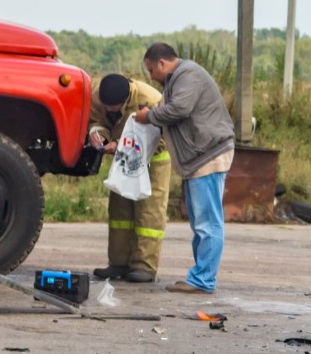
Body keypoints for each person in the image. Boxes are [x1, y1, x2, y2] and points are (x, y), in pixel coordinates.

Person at [138, 42, 235, 295]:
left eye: (151, 70)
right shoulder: (176, 81)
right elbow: (168, 110)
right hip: (198, 159)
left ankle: (203, 280)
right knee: (200, 222)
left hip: (208, 156)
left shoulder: (187, 75)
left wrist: (149, 116)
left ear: (162, 63)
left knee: (208, 223)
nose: (151, 76)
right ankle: (199, 276)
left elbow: (180, 109)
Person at [91, 73, 168, 283]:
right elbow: (96, 120)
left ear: (125, 100)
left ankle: (144, 267)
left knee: (149, 213)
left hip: (153, 158)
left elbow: (162, 134)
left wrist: (121, 144)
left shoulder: (151, 99)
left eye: (114, 107)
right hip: (123, 159)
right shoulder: (98, 97)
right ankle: (118, 263)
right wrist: (98, 135)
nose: (110, 110)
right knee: (119, 212)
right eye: (107, 106)